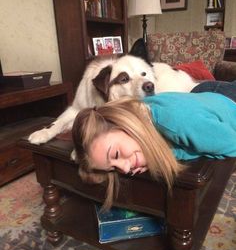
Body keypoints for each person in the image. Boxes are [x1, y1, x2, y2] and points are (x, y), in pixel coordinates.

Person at [72, 89, 236, 209]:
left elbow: (232, 145)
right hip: (206, 94)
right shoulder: (140, 111)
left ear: (124, 123)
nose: (126, 168)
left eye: (116, 154)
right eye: (113, 168)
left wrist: (168, 154)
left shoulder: (179, 123)